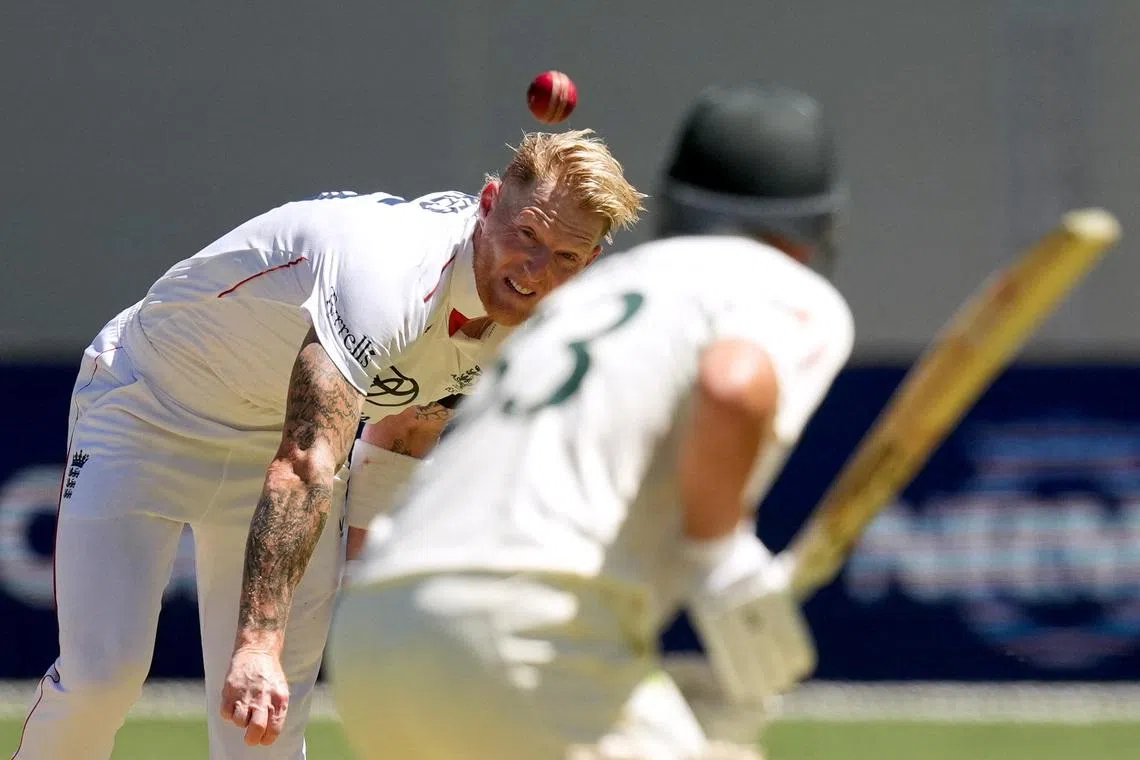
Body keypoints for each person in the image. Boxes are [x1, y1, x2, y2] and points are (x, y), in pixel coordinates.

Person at [9, 129, 644, 760]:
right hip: (148, 408)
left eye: (565, 256)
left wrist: (365, 591)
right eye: (526, 235)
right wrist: (257, 644)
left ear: (588, 263)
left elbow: (412, 425)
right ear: (487, 202)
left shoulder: (542, 327)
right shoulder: (388, 275)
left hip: (283, 446)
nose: (534, 273)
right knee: (102, 678)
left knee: (265, 727)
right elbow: (309, 460)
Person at [327, 82, 854, 760]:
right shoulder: (773, 282)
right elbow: (733, 385)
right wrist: (723, 565)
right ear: (814, 229)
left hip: (378, 632)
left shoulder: (599, 291)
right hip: (526, 632)